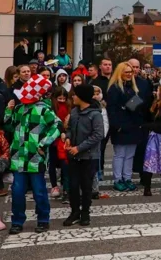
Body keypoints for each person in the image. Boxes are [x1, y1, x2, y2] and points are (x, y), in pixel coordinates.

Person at [5, 74, 59, 234]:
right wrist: (8, 111)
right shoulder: (19, 108)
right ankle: (17, 221)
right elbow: (9, 127)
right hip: (18, 158)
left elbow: (56, 126)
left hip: (35, 158)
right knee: (17, 192)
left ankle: (43, 219)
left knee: (39, 191)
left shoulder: (44, 109)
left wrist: (44, 143)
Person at [63, 84, 103, 227]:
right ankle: (74, 212)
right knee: (73, 185)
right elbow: (69, 129)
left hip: (89, 156)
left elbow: (98, 135)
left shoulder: (95, 114)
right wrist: (67, 137)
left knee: (86, 186)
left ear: (82, 97)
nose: (72, 97)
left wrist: (79, 148)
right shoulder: (74, 112)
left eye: (75, 95)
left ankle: (85, 212)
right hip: (73, 156)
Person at [106, 62, 145, 192]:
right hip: (121, 127)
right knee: (120, 154)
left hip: (132, 125)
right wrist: (117, 126)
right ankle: (118, 179)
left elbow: (134, 107)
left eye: (130, 72)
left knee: (130, 155)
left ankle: (127, 178)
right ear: (120, 72)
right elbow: (111, 110)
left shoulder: (132, 87)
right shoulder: (115, 88)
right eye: (126, 72)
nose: (129, 74)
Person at [48, 87, 70, 202]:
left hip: (64, 139)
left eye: (64, 98)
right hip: (54, 139)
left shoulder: (68, 107)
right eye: (59, 98)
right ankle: (54, 185)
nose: (62, 100)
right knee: (52, 164)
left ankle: (65, 187)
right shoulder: (51, 108)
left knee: (65, 164)